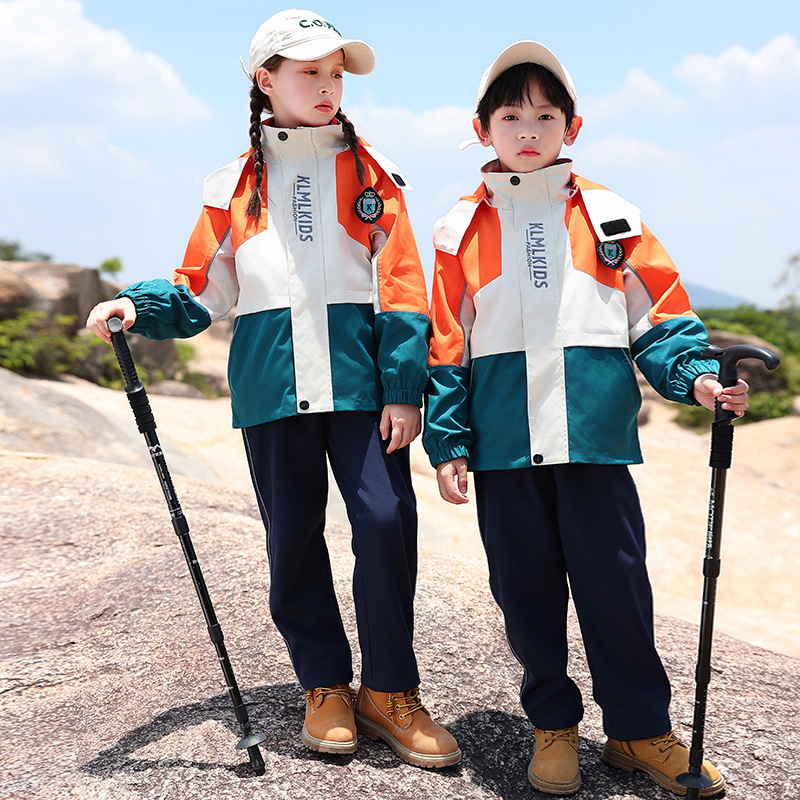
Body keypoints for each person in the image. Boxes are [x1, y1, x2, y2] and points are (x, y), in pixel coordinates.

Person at [87, 9, 460, 769]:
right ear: (266, 79)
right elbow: (203, 288)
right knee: (292, 535)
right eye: (309, 72)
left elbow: (402, 286)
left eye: (336, 74)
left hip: (363, 385)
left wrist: (403, 387)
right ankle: (323, 683)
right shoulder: (230, 184)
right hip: (270, 385)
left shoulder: (376, 175)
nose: (327, 87)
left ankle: (390, 690)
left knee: (385, 520)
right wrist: (137, 306)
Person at [423, 40, 748, 795]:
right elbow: (447, 344)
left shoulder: (613, 216)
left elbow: (660, 319)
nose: (527, 130)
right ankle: (553, 727)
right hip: (505, 449)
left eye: (545, 116)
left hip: (596, 445)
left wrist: (699, 380)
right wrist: (448, 441)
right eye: (511, 116)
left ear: (573, 126)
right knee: (524, 591)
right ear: (482, 129)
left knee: (617, 588)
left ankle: (639, 731)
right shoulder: (456, 230)